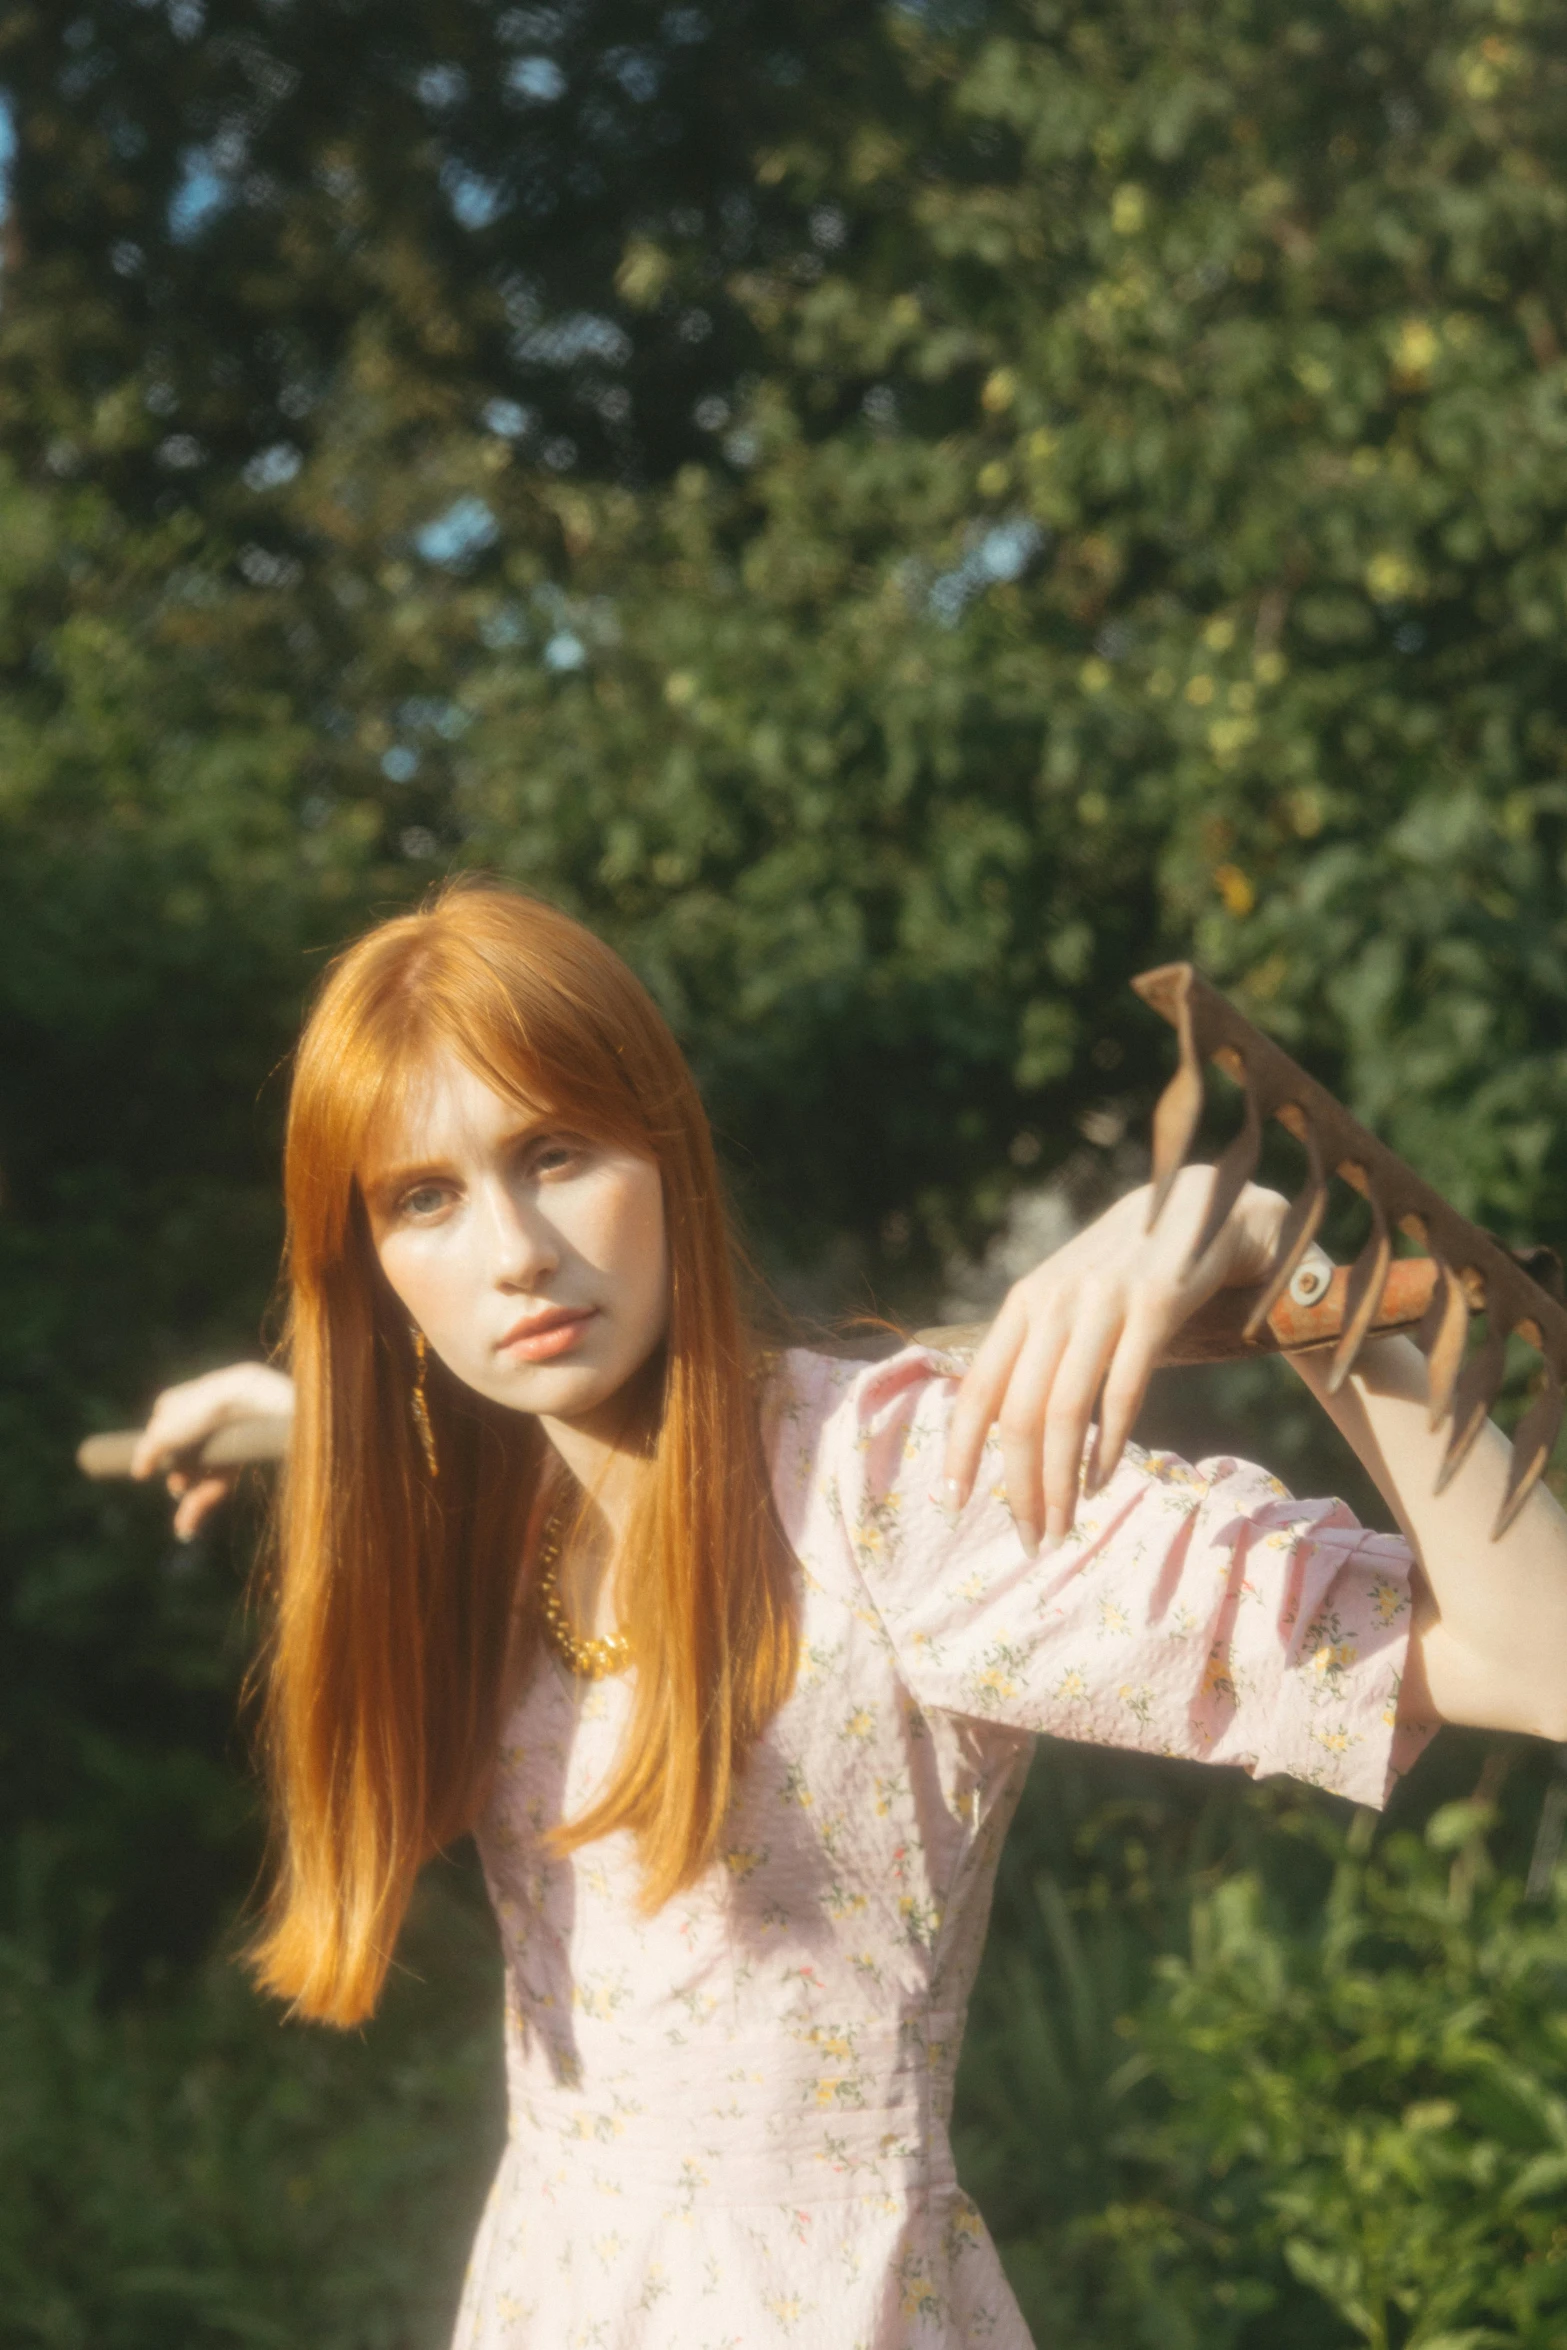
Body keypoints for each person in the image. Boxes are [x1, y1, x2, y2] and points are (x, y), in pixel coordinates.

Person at [130, 879, 1567, 2350]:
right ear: (371, 1268)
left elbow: (1539, 1658)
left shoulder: (893, 1495)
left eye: (552, 1154)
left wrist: (1281, 1244)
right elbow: (417, 1428)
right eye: (422, 1197)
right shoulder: (507, 1503)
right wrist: (292, 1420)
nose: (510, 1251)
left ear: (663, 1146)